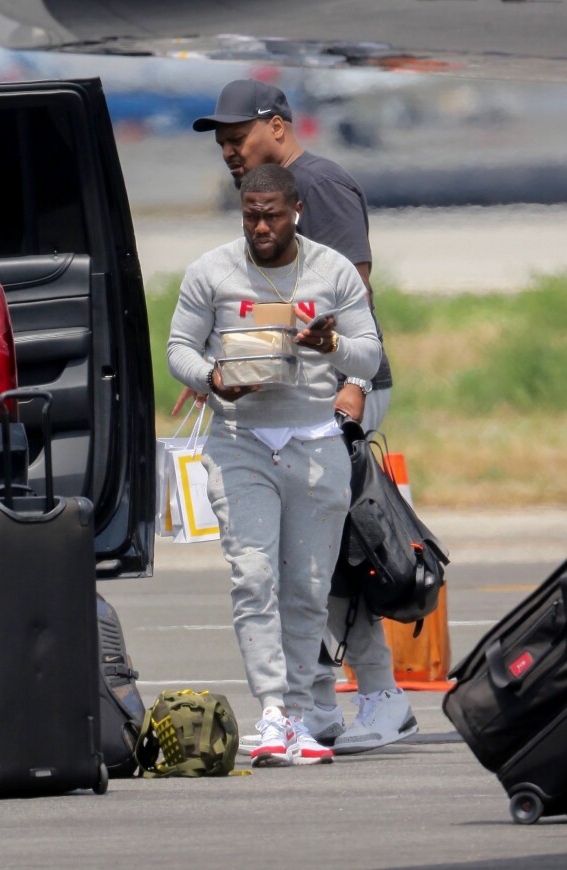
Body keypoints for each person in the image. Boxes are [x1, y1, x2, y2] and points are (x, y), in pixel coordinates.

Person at [186, 78, 418, 755]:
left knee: (334, 557)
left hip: (336, 394)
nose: (228, 150)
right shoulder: (268, 201)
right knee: (296, 560)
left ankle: (379, 694)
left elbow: (354, 290)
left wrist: (351, 387)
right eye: (222, 142)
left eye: (238, 136)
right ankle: (314, 703)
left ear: (278, 126)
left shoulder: (319, 183)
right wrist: (217, 363)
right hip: (278, 399)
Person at [167, 164, 382, 767]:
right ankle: (272, 713)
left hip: (315, 440)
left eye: (272, 214)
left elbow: (370, 352)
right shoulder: (211, 271)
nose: (261, 226)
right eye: (250, 214)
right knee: (253, 575)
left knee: (308, 590)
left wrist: (330, 346)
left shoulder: (332, 270)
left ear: (296, 212)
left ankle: (299, 715)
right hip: (241, 440)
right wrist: (211, 378)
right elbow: (178, 348)